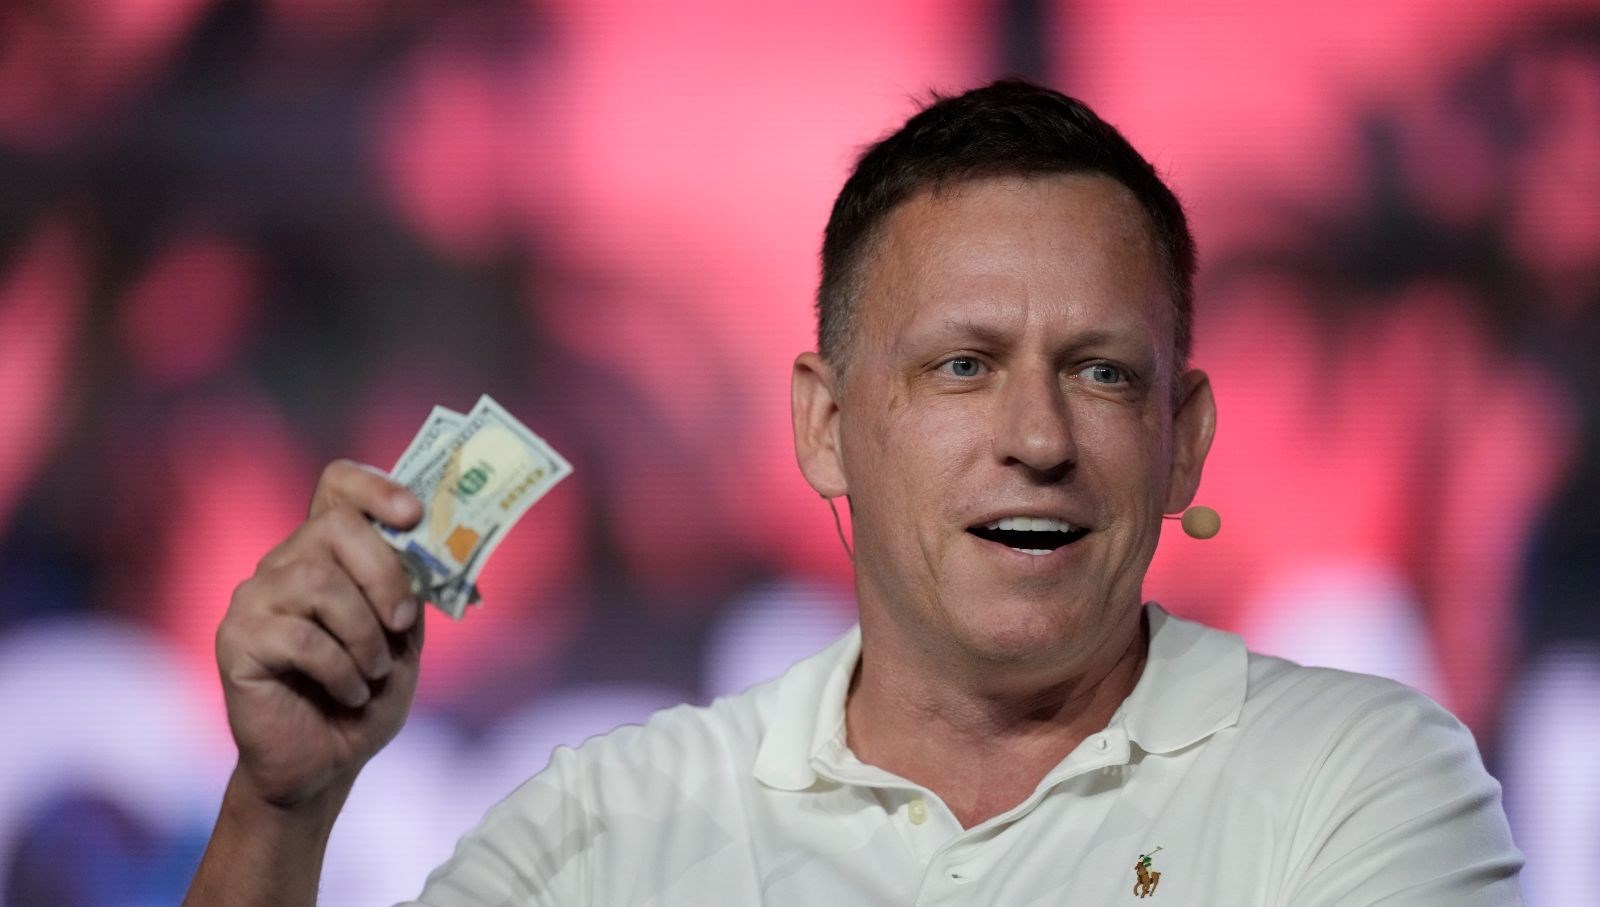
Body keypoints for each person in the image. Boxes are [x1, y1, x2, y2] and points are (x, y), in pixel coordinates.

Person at [181, 80, 1523, 905]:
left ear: (1182, 441)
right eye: (962, 367)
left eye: (1103, 374)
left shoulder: (1360, 776)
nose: (1038, 438)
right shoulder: (611, 821)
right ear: (824, 428)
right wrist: (279, 807)